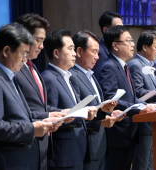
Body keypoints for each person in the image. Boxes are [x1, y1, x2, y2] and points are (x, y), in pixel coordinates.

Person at [0, 22, 63, 170]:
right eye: (23, 53)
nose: (25, 59)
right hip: (11, 162)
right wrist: (31, 129)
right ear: (6, 50)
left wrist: (44, 121)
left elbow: (20, 116)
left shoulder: (9, 76)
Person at [14, 13, 72, 170]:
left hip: (43, 146)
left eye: (43, 41)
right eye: (38, 40)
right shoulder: (14, 70)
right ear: (23, 37)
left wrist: (61, 112)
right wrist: (48, 116)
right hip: (25, 146)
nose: (41, 46)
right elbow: (20, 112)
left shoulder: (33, 67)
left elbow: (41, 106)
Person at [97, 25, 156, 170]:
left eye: (132, 40)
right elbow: (110, 98)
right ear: (115, 45)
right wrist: (137, 109)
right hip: (118, 133)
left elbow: (131, 97)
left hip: (129, 131)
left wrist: (144, 105)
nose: (132, 44)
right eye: (128, 41)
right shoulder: (109, 66)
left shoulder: (123, 66)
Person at [41, 29, 98, 170]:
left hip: (77, 150)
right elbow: (49, 115)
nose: (74, 54)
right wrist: (79, 115)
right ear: (56, 53)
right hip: (63, 155)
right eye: (70, 49)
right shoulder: (49, 78)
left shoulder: (68, 76)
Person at [70, 30, 124, 170]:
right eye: (93, 52)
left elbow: (96, 108)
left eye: (98, 53)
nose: (97, 57)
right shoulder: (72, 76)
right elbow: (73, 114)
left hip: (99, 146)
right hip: (86, 147)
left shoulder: (90, 74)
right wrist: (100, 122)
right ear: (79, 51)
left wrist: (108, 113)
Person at [128, 30, 156, 170]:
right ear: (145, 47)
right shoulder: (135, 65)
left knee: (150, 165)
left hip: (152, 122)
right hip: (143, 124)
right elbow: (138, 93)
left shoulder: (149, 65)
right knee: (142, 164)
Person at [92, 11, 123, 78]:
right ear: (105, 30)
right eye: (118, 28)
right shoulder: (99, 52)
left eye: (122, 28)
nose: (122, 32)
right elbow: (99, 80)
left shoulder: (118, 51)